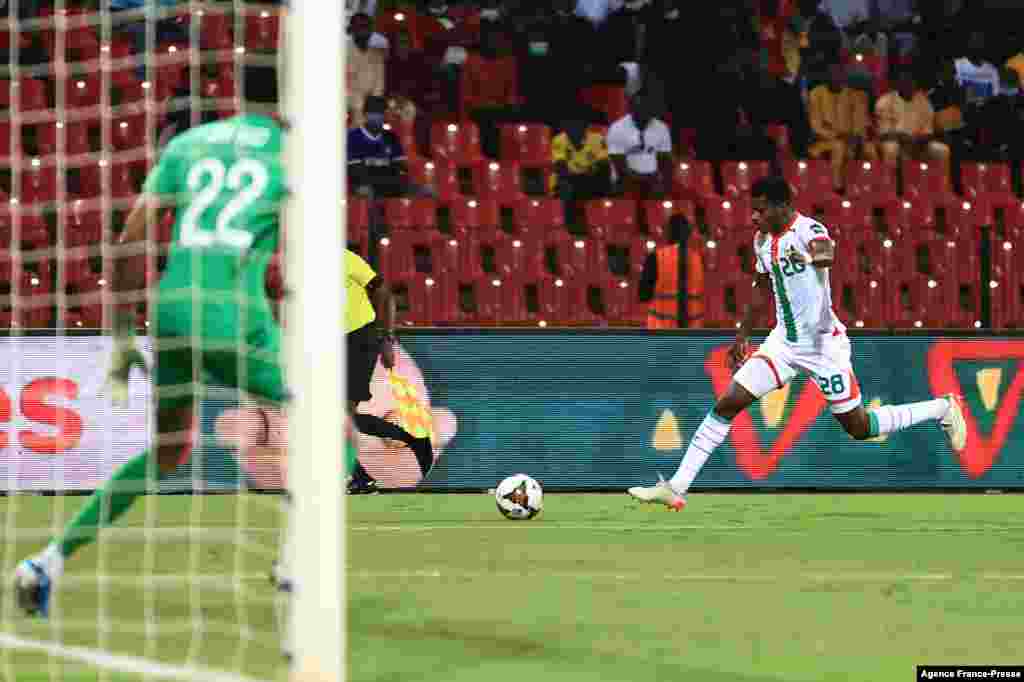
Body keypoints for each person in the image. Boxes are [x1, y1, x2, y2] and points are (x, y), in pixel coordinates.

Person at [13, 65, 292, 616]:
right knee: (335, 425)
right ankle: (297, 558)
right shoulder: (297, 152)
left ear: (235, 91)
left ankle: (47, 560)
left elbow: (127, 239)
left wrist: (120, 336)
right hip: (236, 313)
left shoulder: (191, 142)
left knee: (169, 449)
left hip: (171, 309)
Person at [627, 176, 968, 510]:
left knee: (859, 427)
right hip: (783, 344)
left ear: (781, 206)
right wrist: (743, 334)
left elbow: (826, 254)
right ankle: (675, 487)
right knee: (727, 404)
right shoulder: (762, 240)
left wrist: (809, 258)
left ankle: (941, 408)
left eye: (761, 210)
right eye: (753, 211)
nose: (755, 217)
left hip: (823, 346)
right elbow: (763, 287)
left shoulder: (810, 230)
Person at [344, 249, 434, 495]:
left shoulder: (346, 259)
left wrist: (387, 337)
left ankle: (360, 477)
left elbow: (384, 294)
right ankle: (414, 440)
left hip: (359, 337)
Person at [808, 62, 876, 192]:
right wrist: (837, 135)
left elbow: (860, 122)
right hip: (824, 142)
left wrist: (855, 135)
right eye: (831, 74)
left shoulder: (854, 95)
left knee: (870, 149)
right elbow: (815, 125)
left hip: (851, 140)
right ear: (826, 76)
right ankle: (837, 187)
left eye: (838, 74)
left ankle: (872, 189)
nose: (834, 77)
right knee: (839, 146)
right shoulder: (816, 94)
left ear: (843, 76)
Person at [348, 95, 425, 199]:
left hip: (388, 185)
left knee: (422, 191)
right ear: (365, 115)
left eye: (379, 114)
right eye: (372, 114)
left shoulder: (391, 137)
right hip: (365, 186)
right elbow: (355, 171)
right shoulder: (354, 137)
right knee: (365, 192)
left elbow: (400, 166)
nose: (376, 118)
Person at [638, 214, 705, 329]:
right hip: (692, 333)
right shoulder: (698, 259)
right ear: (689, 234)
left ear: (667, 234)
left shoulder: (655, 257)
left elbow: (643, 295)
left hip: (661, 332)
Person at [875, 71, 950, 170]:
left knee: (942, 150)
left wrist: (919, 139)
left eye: (911, 81)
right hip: (894, 142)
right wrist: (901, 137)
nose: (908, 84)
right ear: (898, 83)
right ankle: (889, 182)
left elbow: (928, 132)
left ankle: (940, 183)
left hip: (919, 144)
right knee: (891, 149)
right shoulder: (885, 101)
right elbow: (884, 133)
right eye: (905, 81)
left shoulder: (924, 102)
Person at [606, 92, 672, 199]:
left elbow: (665, 159)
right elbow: (619, 166)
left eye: (647, 108)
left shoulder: (662, 128)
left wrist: (661, 180)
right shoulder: (617, 128)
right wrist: (646, 178)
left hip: (652, 180)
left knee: (661, 192)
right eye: (639, 107)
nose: (643, 111)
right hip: (624, 181)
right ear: (631, 109)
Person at [550, 118, 612, 200]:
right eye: (571, 125)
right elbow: (560, 165)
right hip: (568, 181)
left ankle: (598, 208)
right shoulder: (559, 139)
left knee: (604, 174)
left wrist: (587, 175)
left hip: (590, 180)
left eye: (579, 124)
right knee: (563, 183)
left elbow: (603, 162)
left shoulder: (598, 139)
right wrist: (579, 178)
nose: (575, 128)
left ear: (586, 126)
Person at [347, 12, 387, 127]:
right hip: (348, 104)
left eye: (365, 27)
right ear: (352, 30)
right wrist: (357, 104)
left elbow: (379, 85)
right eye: (359, 27)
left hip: (371, 105)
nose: (363, 31)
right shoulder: (343, 53)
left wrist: (371, 104)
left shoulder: (377, 54)